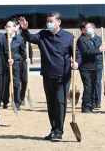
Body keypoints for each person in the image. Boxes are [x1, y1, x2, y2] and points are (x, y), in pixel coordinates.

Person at [19, 11, 81, 141]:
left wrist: (76, 62)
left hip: (63, 76)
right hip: (47, 75)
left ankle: (59, 130)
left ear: (59, 22)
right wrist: (24, 29)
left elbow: (77, 53)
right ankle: (53, 130)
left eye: (51, 21)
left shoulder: (68, 37)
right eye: (47, 21)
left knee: (60, 102)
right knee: (51, 104)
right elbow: (29, 38)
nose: (49, 23)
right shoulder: (42, 35)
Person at [77, 21, 105, 113]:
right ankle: (85, 107)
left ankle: (90, 104)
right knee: (88, 87)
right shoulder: (81, 40)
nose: (91, 29)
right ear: (83, 30)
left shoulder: (90, 39)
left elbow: (95, 49)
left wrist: (102, 49)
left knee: (93, 87)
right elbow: (86, 52)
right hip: (85, 67)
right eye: (88, 28)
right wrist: (98, 50)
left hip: (94, 66)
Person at [2, 20, 27, 110]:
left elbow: (22, 52)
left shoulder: (19, 39)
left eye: (9, 26)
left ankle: (17, 102)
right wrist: (6, 59)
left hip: (16, 65)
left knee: (16, 83)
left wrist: (25, 58)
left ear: (14, 27)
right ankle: (5, 101)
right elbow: (0, 52)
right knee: (5, 84)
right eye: (6, 26)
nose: (7, 28)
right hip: (5, 65)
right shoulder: (2, 38)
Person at [11, 18, 33, 106]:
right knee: (16, 81)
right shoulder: (9, 36)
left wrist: (29, 58)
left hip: (23, 60)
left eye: (16, 25)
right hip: (15, 61)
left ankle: (22, 97)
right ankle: (17, 99)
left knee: (24, 80)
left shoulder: (24, 35)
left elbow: (29, 48)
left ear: (19, 26)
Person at [89, 23, 105, 109]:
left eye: (90, 28)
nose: (88, 30)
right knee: (90, 83)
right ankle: (92, 101)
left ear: (94, 30)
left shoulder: (100, 39)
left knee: (97, 83)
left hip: (98, 64)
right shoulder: (85, 39)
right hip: (89, 65)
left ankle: (97, 102)